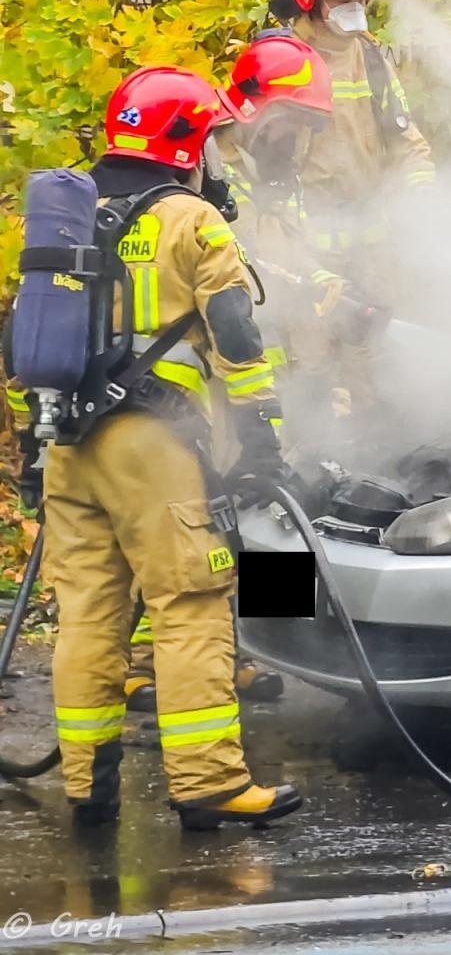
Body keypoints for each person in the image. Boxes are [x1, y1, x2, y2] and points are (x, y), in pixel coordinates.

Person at [34, 67, 303, 830]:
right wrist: (263, 444)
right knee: (189, 602)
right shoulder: (190, 218)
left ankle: (88, 789)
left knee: (88, 613)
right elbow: (238, 340)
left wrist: (35, 438)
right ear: (182, 141)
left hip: (69, 442)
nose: (216, 156)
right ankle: (209, 783)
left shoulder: (71, 211)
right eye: (211, 139)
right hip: (153, 443)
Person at [124, 34, 339, 715]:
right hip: (215, 389)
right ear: (259, 110)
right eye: (293, 121)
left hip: (274, 381)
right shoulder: (214, 173)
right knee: (188, 528)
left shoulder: (279, 183)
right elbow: (239, 271)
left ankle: (263, 646)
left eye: (308, 127)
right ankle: (142, 662)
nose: (298, 137)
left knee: (270, 518)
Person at [266, 0, 435, 305]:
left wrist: (422, 193)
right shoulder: (279, 62)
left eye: (363, 1)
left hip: (375, 259)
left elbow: (406, 141)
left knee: (373, 359)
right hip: (305, 260)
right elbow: (248, 172)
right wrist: (295, 257)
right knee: (312, 362)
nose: (356, 12)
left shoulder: (371, 60)